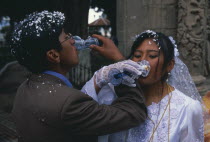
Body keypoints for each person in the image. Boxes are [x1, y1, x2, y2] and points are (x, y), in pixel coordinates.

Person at [10, 11, 147, 142]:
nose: (73, 41)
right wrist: (119, 63)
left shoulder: (24, 88)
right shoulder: (69, 103)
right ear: (53, 55)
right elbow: (134, 113)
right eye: (66, 38)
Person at [82, 30, 204, 142]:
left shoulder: (188, 108)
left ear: (170, 65)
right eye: (137, 55)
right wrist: (100, 76)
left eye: (152, 56)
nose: (143, 62)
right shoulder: (115, 95)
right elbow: (82, 113)